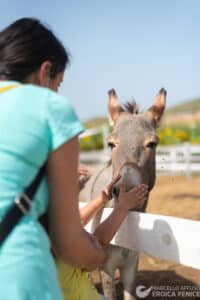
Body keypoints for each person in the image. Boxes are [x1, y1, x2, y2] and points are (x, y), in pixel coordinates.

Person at [0, 18, 148, 300]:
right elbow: (70, 244)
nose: (57, 93)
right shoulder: (48, 109)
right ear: (45, 72)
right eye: (58, 84)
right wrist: (96, 257)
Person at [57, 171, 148, 300]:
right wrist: (123, 207)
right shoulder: (65, 242)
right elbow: (98, 243)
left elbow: (76, 222)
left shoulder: (38, 226)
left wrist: (102, 199)